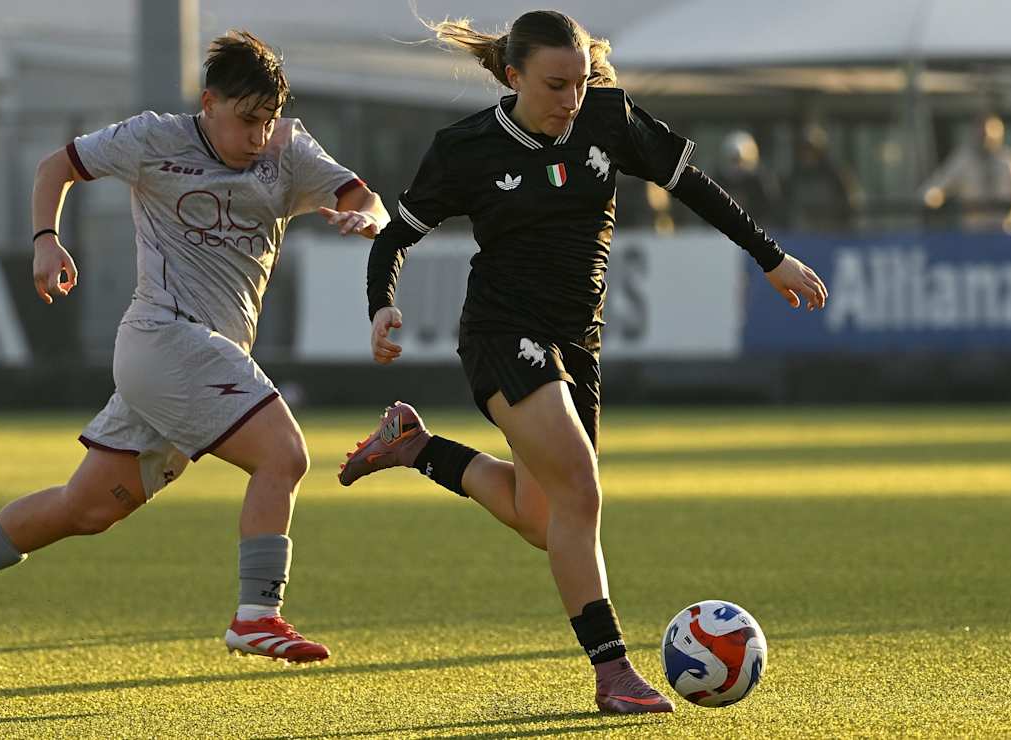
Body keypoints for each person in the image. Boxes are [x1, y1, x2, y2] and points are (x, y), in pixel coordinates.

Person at [337, 10, 827, 714]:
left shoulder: (608, 117)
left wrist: (770, 258)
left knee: (542, 517)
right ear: (513, 77)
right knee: (581, 492)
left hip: (577, 344)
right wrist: (381, 305)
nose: (570, 99)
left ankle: (416, 447)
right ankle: (613, 671)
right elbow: (395, 238)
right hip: (502, 333)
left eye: (580, 82)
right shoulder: (466, 148)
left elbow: (692, 185)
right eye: (554, 85)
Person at [0, 30, 389, 663]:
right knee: (284, 455)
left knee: (86, 509)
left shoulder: (287, 149)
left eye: (268, 119)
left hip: (198, 359)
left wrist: (367, 218)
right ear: (209, 103)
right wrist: (45, 240)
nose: (258, 135)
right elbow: (56, 167)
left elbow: (360, 196)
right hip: (165, 337)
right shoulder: (156, 138)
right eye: (246, 120)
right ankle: (257, 616)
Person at [920, 113, 1011, 234]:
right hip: (973, 232)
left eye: (991, 132)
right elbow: (936, 188)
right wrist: (933, 199)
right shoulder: (962, 160)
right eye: (982, 132)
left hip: (1004, 231)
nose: (986, 137)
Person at [784, 124, 860, 233]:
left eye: (811, 150)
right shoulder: (795, 177)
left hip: (832, 233)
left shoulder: (837, 175)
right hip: (801, 233)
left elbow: (852, 203)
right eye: (803, 149)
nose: (807, 154)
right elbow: (787, 206)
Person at [716, 130, 781, 227]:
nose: (736, 165)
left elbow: (770, 208)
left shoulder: (760, 182)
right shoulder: (719, 180)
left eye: (738, 160)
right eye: (732, 160)